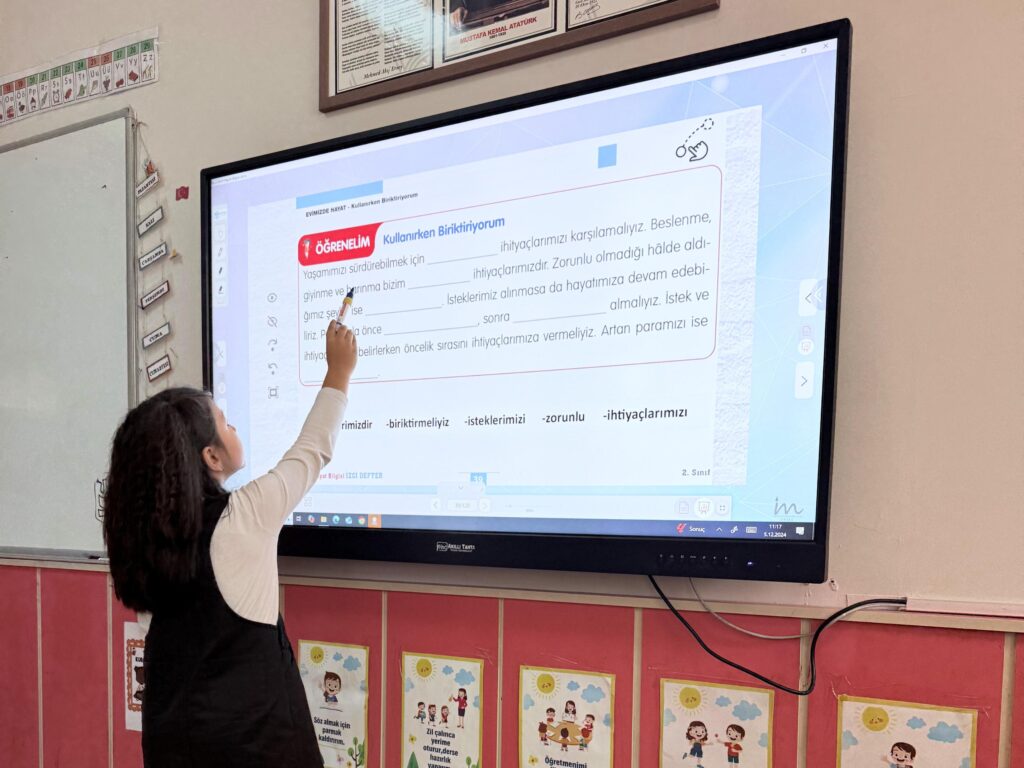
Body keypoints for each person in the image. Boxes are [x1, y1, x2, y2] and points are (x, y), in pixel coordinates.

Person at [103, 320, 357, 767]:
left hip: (172, 748)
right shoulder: (243, 517)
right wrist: (339, 371)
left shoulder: (148, 546)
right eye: (223, 421)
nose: (233, 423)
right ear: (212, 456)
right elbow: (312, 450)